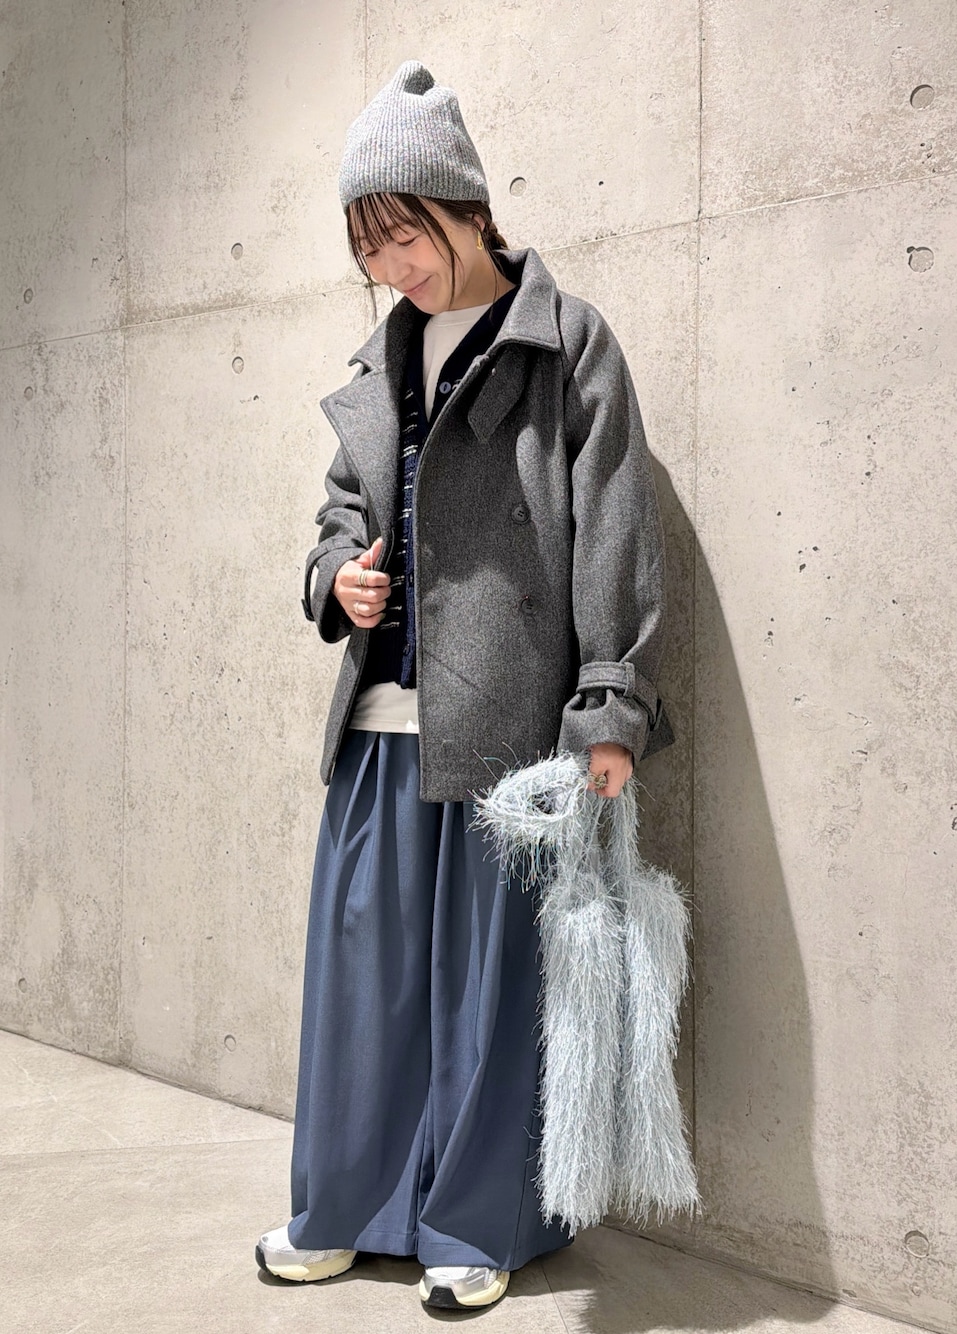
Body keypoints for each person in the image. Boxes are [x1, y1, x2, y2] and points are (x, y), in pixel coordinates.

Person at [255, 59, 676, 1312]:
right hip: (380, 722)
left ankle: (474, 1223)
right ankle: (341, 1205)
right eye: (370, 247)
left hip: (509, 733)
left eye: (407, 234)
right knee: (362, 989)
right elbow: (339, 513)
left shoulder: (565, 342)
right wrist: (338, 578)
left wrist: (609, 709)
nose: (393, 266)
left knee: (490, 995)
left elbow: (614, 531)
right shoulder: (380, 357)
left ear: (467, 208)